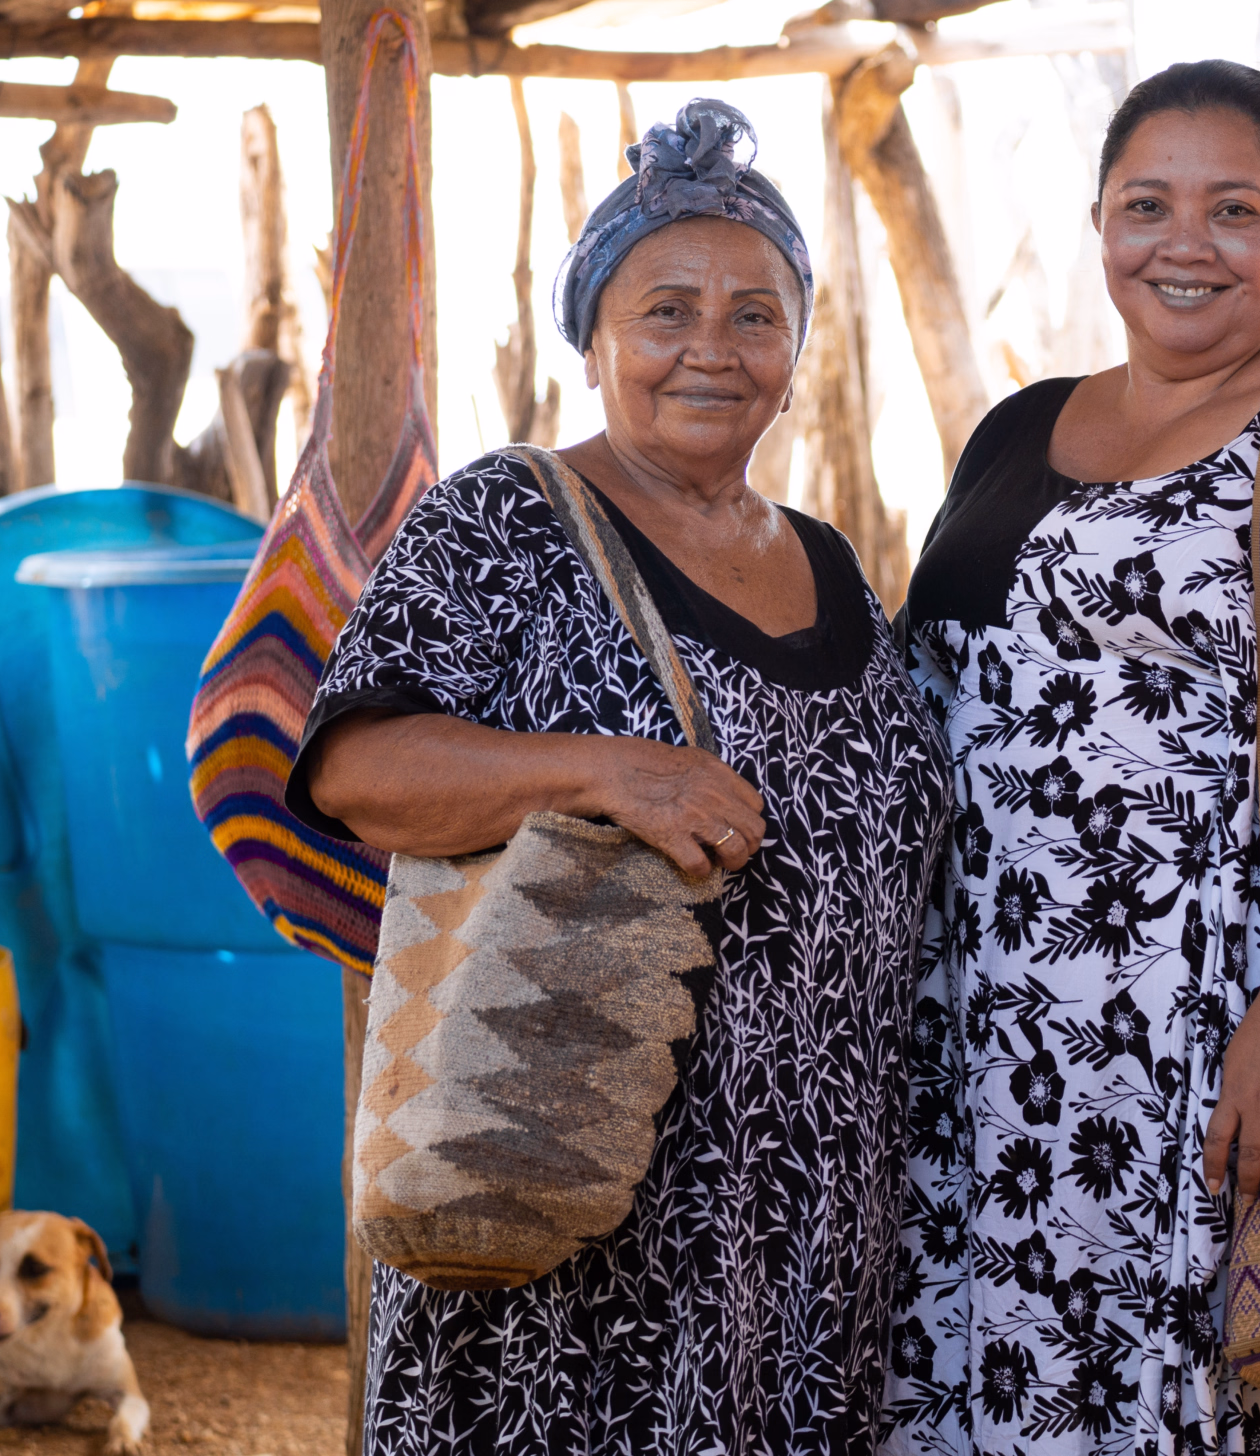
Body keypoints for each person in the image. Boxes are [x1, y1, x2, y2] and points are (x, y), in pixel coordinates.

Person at [289, 99, 951, 1455]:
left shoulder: (833, 564)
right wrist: (605, 773)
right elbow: (357, 766)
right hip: (568, 1214)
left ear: (795, 349)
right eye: (665, 311)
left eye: (755, 314)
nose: (711, 347)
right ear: (593, 337)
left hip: (810, 1244)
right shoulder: (505, 520)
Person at [882, 61, 1260, 1456]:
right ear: (1101, 225)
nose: (1185, 245)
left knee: (1194, 1399)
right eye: (1147, 206)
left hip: (1205, 1049)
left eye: (1236, 211)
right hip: (982, 1044)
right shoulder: (1015, 428)